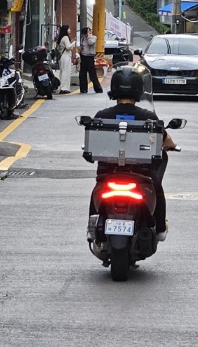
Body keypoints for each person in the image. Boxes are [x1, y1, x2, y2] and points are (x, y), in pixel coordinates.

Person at [92, 66, 177, 240]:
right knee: (157, 188)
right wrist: (170, 145)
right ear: (139, 90)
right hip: (140, 174)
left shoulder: (101, 115)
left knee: (97, 190)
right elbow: (167, 141)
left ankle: (91, 226)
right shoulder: (148, 117)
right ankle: (160, 228)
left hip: (108, 173)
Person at [78, 26, 103, 94]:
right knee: (82, 74)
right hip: (83, 56)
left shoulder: (93, 37)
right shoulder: (83, 39)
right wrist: (80, 48)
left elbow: (90, 43)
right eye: (88, 31)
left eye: (89, 31)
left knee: (92, 74)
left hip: (90, 57)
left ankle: (98, 89)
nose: (89, 32)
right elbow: (82, 47)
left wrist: (89, 35)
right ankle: (83, 89)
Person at [56, 25, 74, 94]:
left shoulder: (61, 38)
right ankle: (64, 88)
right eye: (69, 29)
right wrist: (73, 43)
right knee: (66, 72)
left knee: (63, 72)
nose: (70, 30)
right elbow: (68, 47)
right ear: (66, 30)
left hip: (62, 57)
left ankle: (62, 87)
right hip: (66, 56)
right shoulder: (66, 37)